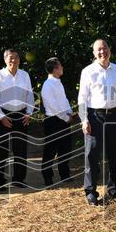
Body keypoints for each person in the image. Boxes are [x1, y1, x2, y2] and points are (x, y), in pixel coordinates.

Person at [78, 39, 116, 206]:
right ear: (94, 53)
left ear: (109, 49)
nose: (102, 52)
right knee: (92, 156)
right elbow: (82, 98)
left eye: (105, 48)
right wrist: (84, 120)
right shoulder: (88, 71)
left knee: (115, 155)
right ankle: (91, 192)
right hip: (95, 117)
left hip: (114, 116)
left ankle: (114, 190)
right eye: (99, 50)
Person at [0, 48, 35, 188]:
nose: (13, 60)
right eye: (10, 57)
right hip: (2, 115)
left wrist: (29, 113)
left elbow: (30, 95)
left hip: (21, 115)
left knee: (20, 150)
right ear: (5, 60)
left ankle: (19, 179)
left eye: (16, 57)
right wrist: (2, 117)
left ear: (19, 60)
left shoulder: (25, 75)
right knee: (0, 150)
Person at [40, 57, 75, 187]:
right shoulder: (48, 84)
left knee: (65, 148)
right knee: (50, 150)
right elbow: (53, 105)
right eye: (60, 66)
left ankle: (64, 174)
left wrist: (70, 112)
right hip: (53, 121)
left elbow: (63, 100)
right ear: (55, 69)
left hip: (63, 119)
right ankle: (47, 177)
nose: (62, 67)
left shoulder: (58, 82)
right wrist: (66, 118)